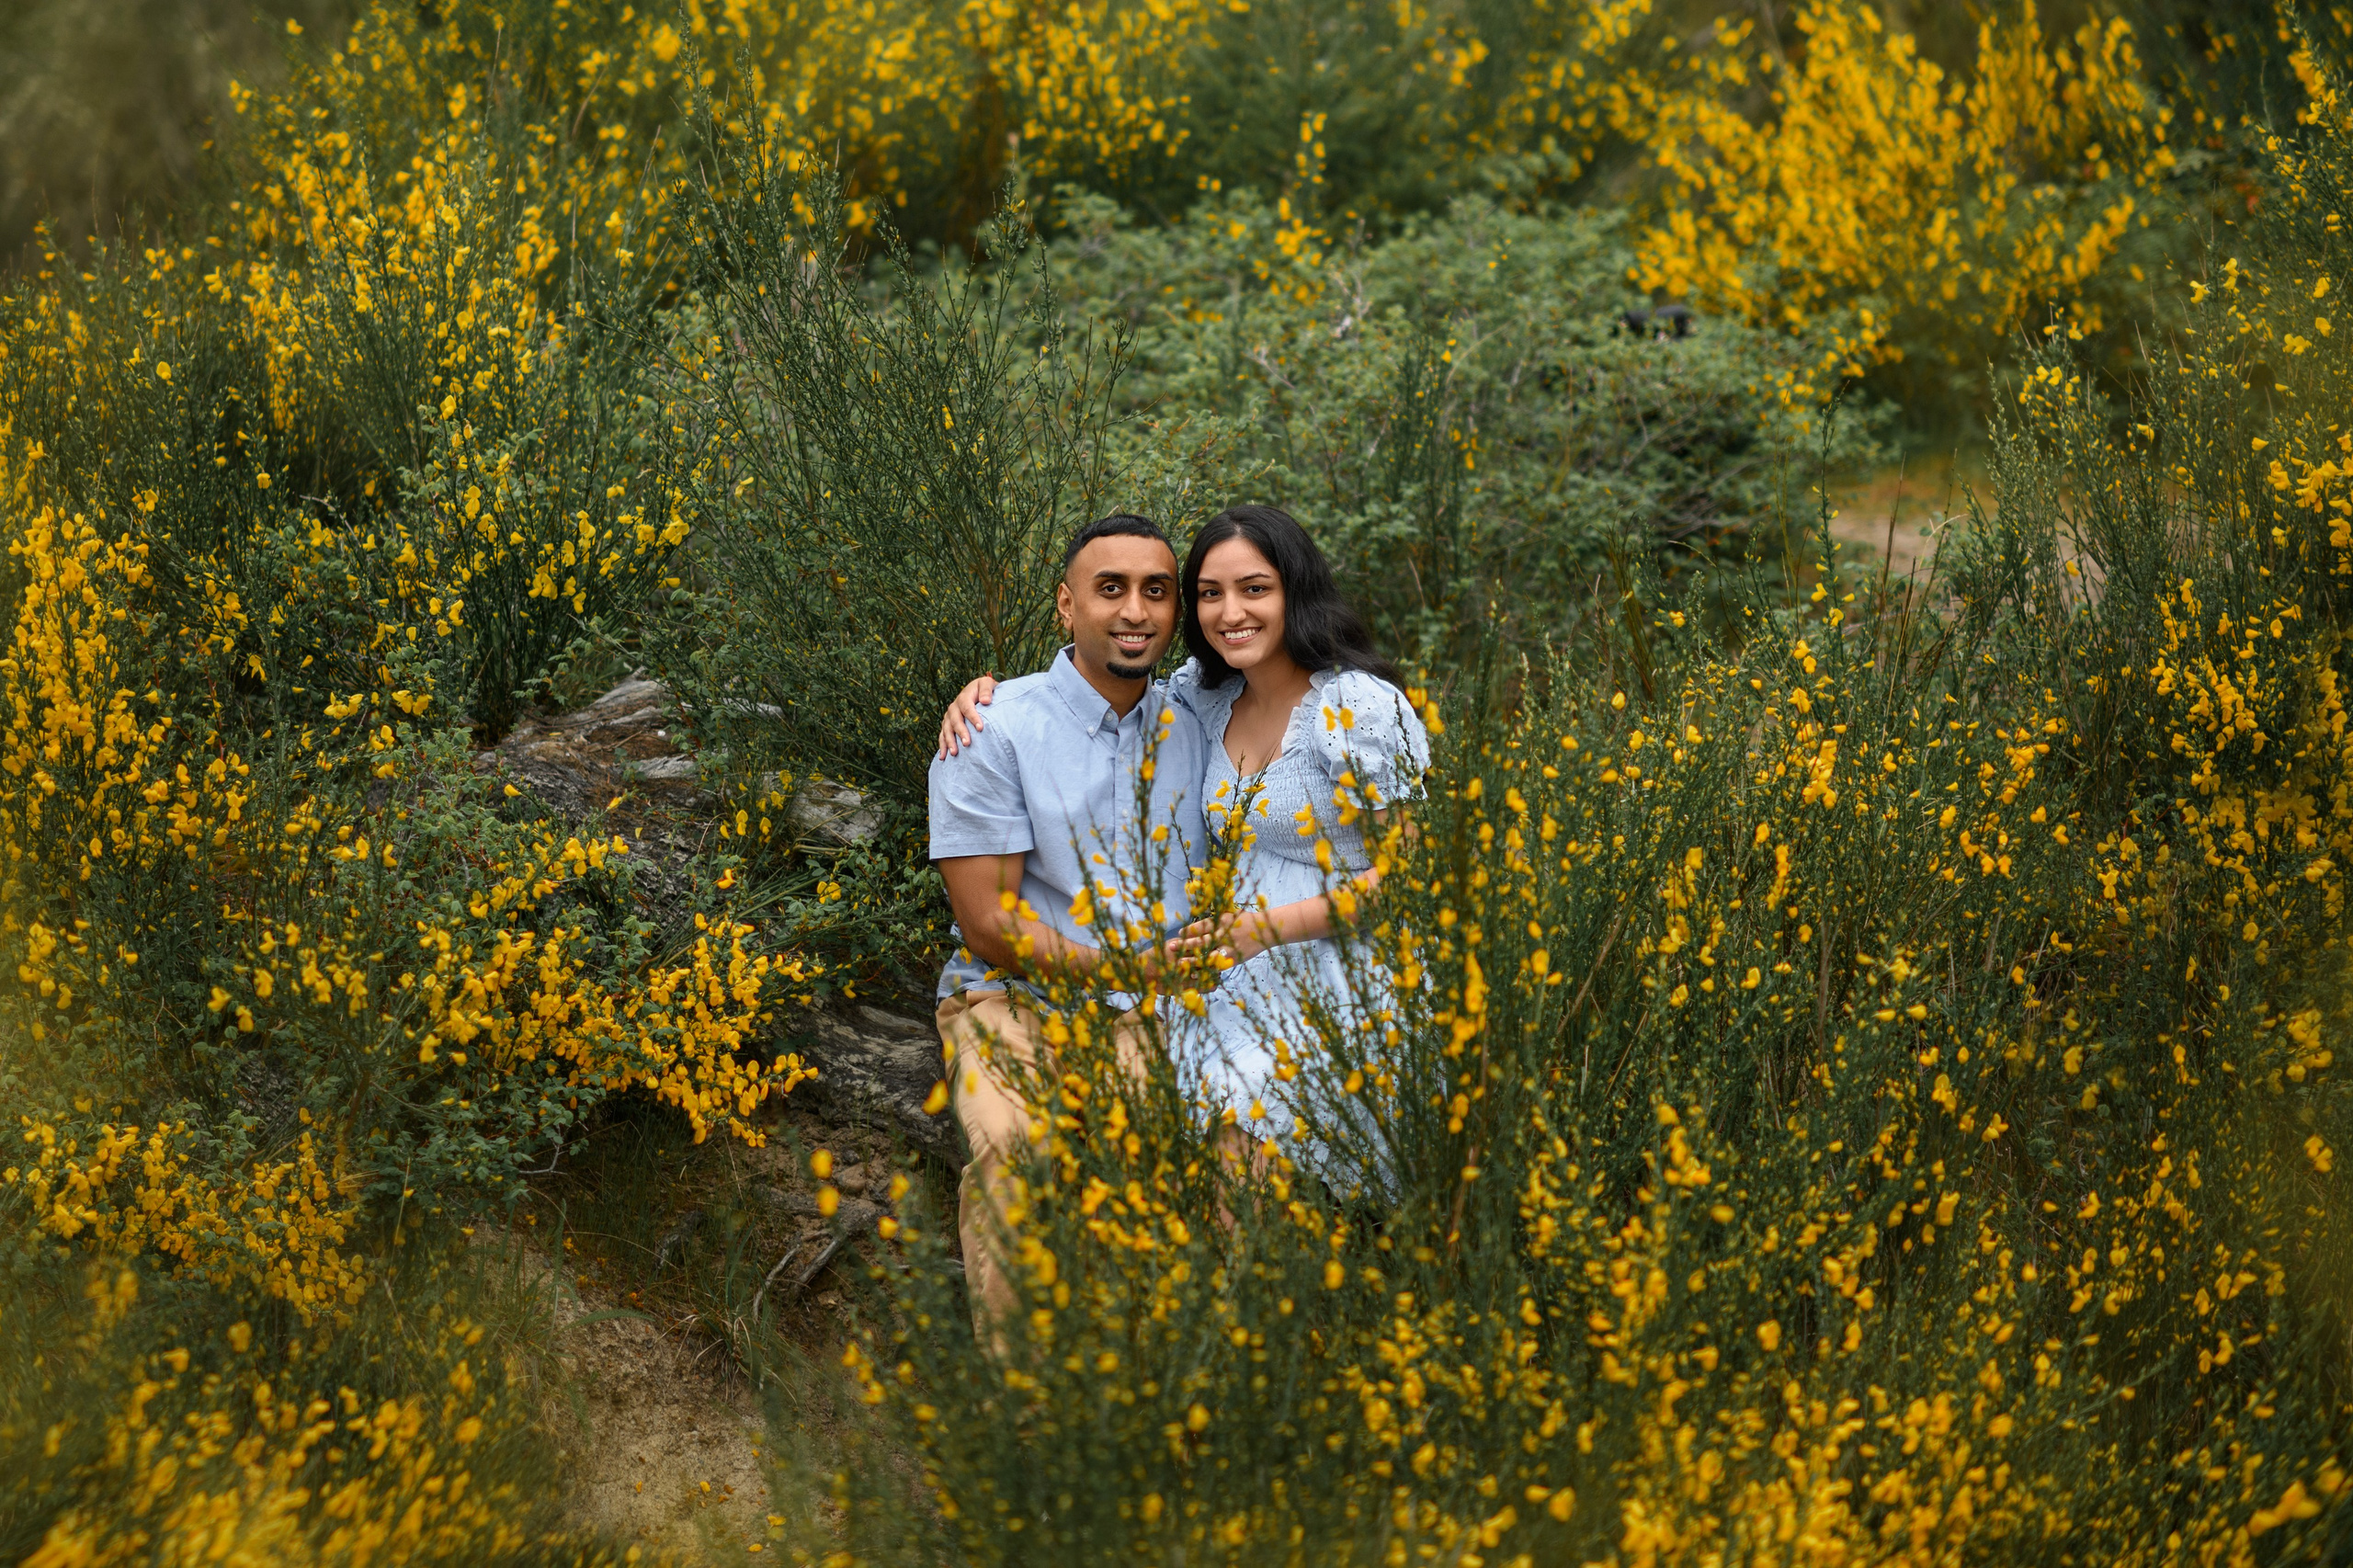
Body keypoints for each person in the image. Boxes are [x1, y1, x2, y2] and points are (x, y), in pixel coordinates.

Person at [939, 504, 1428, 1178]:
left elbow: (1409, 874)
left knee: (1204, 1160)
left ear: (1296, 591)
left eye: (1254, 589)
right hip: (1123, 983)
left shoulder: (1320, 707)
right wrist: (982, 700)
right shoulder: (1196, 699)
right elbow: (990, 920)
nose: (1230, 612)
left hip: (1297, 967)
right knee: (1048, 1155)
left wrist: (1249, 933)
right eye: (1210, 593)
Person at [927, 512, 1208, 1348]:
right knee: (1017, 1158)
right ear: (1065, 605)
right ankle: (1029, 1428)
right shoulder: (994, 726)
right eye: (1110, 589)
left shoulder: (1201, 718)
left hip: (1151, 1008)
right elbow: (988, 925)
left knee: (1171, 1174)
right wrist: (1130, 963)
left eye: (1157, 592)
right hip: (1010, 998)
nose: (1135, 611)